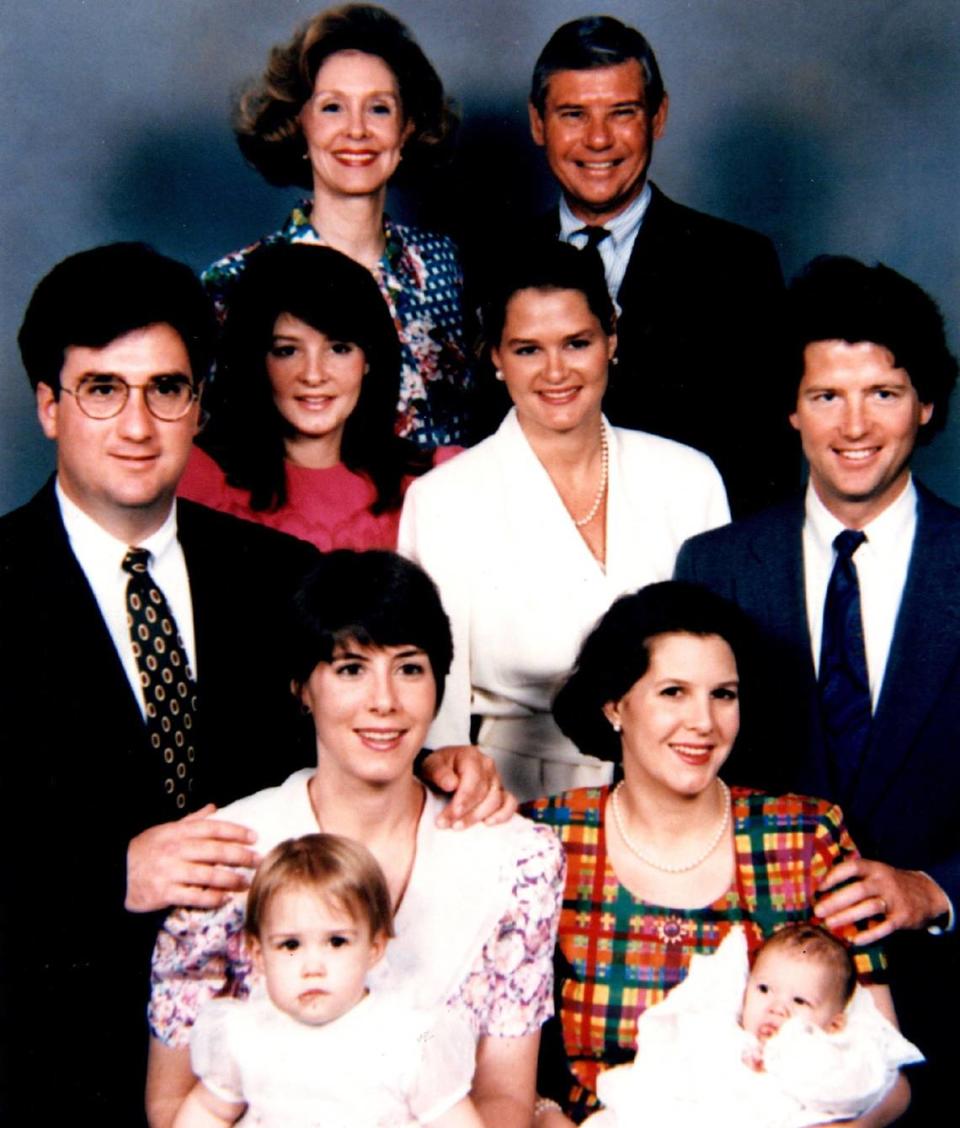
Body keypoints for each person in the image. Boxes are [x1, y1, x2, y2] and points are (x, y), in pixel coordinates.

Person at [0, 244, 507, 1124]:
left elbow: (350, 727)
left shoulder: (280, 575)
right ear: (49, 405)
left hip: (277, 1062)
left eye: (166, 389)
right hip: (43, 1040)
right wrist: (110, 872)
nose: (136, 425)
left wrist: (433, 767)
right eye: (102, 390)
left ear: (199, 403)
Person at [674, 255, 960, 1125]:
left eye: (882, 391)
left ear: (927, 405)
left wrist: (934, 891)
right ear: (791, 409)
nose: (855, 424)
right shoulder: (717, 566)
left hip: (947, 997)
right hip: (748, 1008)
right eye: (827, 395)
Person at [147, 551, 565, 1128]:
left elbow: (503, 1100)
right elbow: (173, 1103)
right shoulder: (228, 854)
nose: (384, 701)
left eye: (410, 668)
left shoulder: (517, 859)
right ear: (302, 688)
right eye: (350, 669)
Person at [523, 581, 909, 1126]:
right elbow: (497, 1060)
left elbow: (885, 1075)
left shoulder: (805, 837)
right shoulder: (547, 837)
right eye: (673, 692)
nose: (703, 722)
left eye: (722, 694)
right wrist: (544, 1116)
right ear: (615, 706)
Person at [399, 243, 729, 801]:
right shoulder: (443, 501)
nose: (556, 372)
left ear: (612, 340)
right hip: (507, 795)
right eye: (528, 349)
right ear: (497, 357)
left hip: (679, 786)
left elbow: (722, 670)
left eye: (577, 343)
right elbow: (436, 707)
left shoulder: (688, 478)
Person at [521, 15, 794, 516]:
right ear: (539, 123)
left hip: (684, 568)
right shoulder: (497, 261)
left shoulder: (737, 264)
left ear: (658, 117)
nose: (598, 140)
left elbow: (765, 466)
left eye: (621, 113)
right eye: (573, 115)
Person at [204, 4, 469, 447]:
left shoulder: (444, 266)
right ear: (298, 125)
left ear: (407, 128)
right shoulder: (234, 282)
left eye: (379, 109)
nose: (357, 131)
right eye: (332, 108)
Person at [174, 833, 483, 1127]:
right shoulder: (245, 1033)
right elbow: (209, 1111)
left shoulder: (407, 1038)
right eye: (290, 945)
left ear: (374, 948)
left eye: (336, 942)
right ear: (258, 953)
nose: (313, 967)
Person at [179, 243, 457, 550]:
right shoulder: (199, 478)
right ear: (257, 359)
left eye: (339, 349)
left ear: (368, 360)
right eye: (287, 350)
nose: (313, 375)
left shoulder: (431, 480)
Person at [587, 924, 922, 1128]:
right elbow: (677, 1064)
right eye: (764, 990)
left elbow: (851, 1089)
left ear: (834, 1023)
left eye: (799, 1002)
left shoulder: (831, 1051)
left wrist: (784, 1058)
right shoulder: (725, 1031)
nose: (776, 1007)